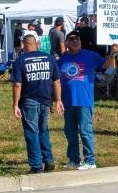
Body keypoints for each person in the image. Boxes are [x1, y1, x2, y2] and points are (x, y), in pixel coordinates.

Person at [57, 32, 111, 169]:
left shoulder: (90, 56)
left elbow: (105, 66)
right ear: (67, 43)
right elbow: (56, 80)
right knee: (70, 132)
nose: (75, 41)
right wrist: (57, 99)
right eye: (71, 39)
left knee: (85, 131)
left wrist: (114, 53)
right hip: (67, 101)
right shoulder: (62, 60)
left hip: (84, 101)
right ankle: (74, 159)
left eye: (77, 38)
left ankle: (90, 161)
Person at [11, 33, 61, 173]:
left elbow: (17, 85)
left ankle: (36, 165)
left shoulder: (21, 60)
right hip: (45, 100)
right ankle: (48, 159)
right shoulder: (49, 58)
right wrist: (57, 100)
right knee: (43, 130)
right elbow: (56, 81)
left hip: (29, 100)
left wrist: (15, 104)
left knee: (31, 132)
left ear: (24, 45)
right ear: (36, 44)